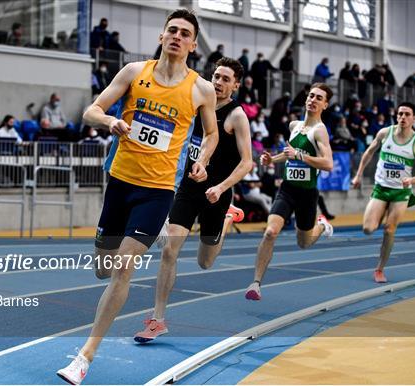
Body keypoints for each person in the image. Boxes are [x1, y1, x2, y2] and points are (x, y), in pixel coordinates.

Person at [56, 9, 218, 384]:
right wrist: (110, 120)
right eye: (172, 30)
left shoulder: (201, 89)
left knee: (124, 267)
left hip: (158, 192)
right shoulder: (133, 72)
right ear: (162, 36)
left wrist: (203, 160)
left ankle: (84, 356)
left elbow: (211, 134)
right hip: (120, 184)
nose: (177, 37)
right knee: (104, 267)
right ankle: (119, 246)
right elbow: (89, 110)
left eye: (185, 33)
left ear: (193, 45)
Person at [132, 57, 251, 343]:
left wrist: (221, 188)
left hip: (216, 194)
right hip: (188, 188)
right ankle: (158, 319)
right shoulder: (197, 104)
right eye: (216, 76)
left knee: (205, 262)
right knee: (169, 251)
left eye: (225, 79)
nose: (218, 82)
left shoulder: (237, 116)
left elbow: (247, 163)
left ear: (236, 85)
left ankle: (225, 218)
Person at [245, 83, 335, 300]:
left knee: (303, 243)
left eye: (319, 98)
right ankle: (255, 283)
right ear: (306, 99)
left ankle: (321, 225)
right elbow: (289, 153)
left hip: (307, 194)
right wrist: (272, 159)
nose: (313, 100)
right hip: (287, 190)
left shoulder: (320, 130)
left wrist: (299, 156)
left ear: (325, 104)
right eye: (311, 96)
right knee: (270, 232)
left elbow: (328, 164)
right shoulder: (295, 125)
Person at [351, 102, 415, 283]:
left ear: (414, 118)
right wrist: (358, 175)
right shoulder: (385, 133)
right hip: (381, 189)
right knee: (368, 228)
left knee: (389, 230)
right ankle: (380, 212)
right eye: (400, 114)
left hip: (400, 193)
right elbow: (369, 152)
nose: (402, 117)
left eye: (407, 114)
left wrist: (412, 180)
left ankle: (379, 269)